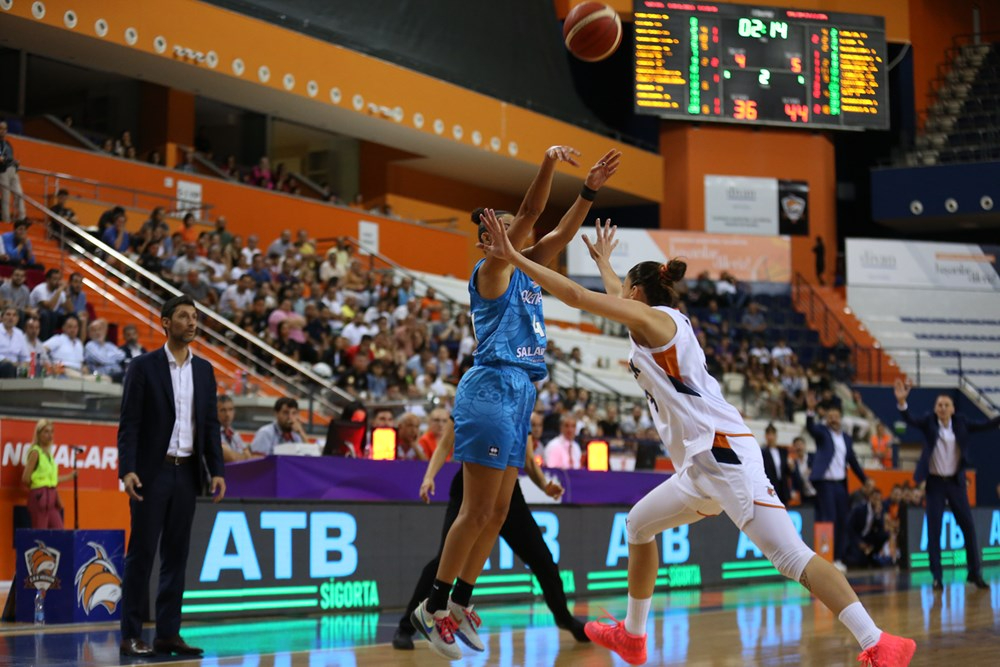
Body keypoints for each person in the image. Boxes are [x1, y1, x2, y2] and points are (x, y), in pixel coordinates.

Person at [477, 213, 915, 667]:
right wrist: (607, 263)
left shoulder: (656, 321)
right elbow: (611, 296)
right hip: (698, 467)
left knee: (790, 557)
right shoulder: (654, 319)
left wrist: (514, 258)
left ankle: (878, 642)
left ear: (637, 293)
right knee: (638, 525)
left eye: (624, 288)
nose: (619, 295)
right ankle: (633, 635)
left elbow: (577, 295)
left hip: (723, 453)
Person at [410, 146, 621, 660]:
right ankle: (432, 606)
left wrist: (589, 189)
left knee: (499, 511)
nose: (521, 234)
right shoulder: (492, 270)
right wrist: (549, 162)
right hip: (491, 388)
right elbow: (529, 215)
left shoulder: (525, 270)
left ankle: (460, 600)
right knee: (477, 508)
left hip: (521, 391)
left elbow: (563, 232)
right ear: (489, 238)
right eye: (508, 230)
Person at [394, 413, 586, 650]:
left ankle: (564, 618)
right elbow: (445, 444)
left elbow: (526, 460)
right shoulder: (477, 393)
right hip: (471, 488)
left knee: (543, 560)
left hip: (507, 496)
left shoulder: (521, 400)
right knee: (445, 560)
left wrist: (545, 485)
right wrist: (428, 477)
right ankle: (406, 627)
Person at [117, 295, 226, 657]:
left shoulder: (204, 370)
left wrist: (217, 471)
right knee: (142, 556)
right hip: (153, 472)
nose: (192, 323)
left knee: (176, 557)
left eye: (195, 317)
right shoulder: (143, 367)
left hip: (187, 473)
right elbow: (129, 424)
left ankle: (167, 633)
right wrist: (128, 470)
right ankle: (131, 633)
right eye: (183, 316)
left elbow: (210, 425)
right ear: (165, 322)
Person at [894, 379, 1000, 590]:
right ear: (935, 408)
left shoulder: (961, 422)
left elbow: (986, 424)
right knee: (934, 530)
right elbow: (910, 419)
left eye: (946, 405)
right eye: (939, 405)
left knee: (968, 527)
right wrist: (902, 403)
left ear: (952, 409)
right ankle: (937, 577)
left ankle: (974, 573)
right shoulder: (929, 422)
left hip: (955, 482)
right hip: (934, 484)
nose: (942, 408)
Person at [805, 392, 868, 570]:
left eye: (836, 417)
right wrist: (810, 411)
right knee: (829, 519)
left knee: (842, 520)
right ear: (826, 419)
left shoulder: (847, 439)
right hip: (825, 483)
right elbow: (811, 428)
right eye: (830, 417)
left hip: (841, 484)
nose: (833, 420)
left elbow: (853, 462)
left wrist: (865, 480)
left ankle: (838, 558)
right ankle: (827, 557)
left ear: (841, 418)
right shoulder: (822, 433)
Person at [21, 419, 76, 528]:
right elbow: (26, 478)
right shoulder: (35, 453)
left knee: (59, 530)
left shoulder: (49, 455)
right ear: (39, 434)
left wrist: (69, 477)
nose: (49, 435)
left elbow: (50, 479)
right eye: (46, 432)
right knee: (41, 532)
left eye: (51, 432)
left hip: (51, 498)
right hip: (40, 497)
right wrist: (38, 490)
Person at [846, 487, 888, 568]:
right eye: (875, 498)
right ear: (870, 498)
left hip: (868, 538)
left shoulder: (880, 510)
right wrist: (859, 542)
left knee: (885, 535)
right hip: (857, 537)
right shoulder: (860, 509)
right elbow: (850, 528)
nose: (876, 501)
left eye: (878, 499)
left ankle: (872, 555)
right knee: (857, 563)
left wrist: (878, 516)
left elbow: (880, 530)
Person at [218, 394, 258, 462]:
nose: (227, 414)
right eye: (223, 410)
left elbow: (248, 456)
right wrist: (243, 457)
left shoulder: (234, 434)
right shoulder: (212, 433)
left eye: (230, 410)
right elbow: (231, 458)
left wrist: (239, 456)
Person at [760, 423, 793, 505]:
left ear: (776, 436)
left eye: (772, 434)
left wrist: (791, 467)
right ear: (766, 436)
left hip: (783, 488)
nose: (770, 437)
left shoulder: (783, 452)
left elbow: (786, 471)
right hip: (770, 487)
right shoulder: (762, 452)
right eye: (768, 434)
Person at [0, 120, 26, 223]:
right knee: (6, 197)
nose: (3, 131)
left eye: (5, 129)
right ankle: (6, 219)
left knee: (19, 194)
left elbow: (10, 156)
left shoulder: (8, 143)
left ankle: (22, 218)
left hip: (13, 170)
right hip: (3, 171)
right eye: (1, 128)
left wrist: (15, 163)